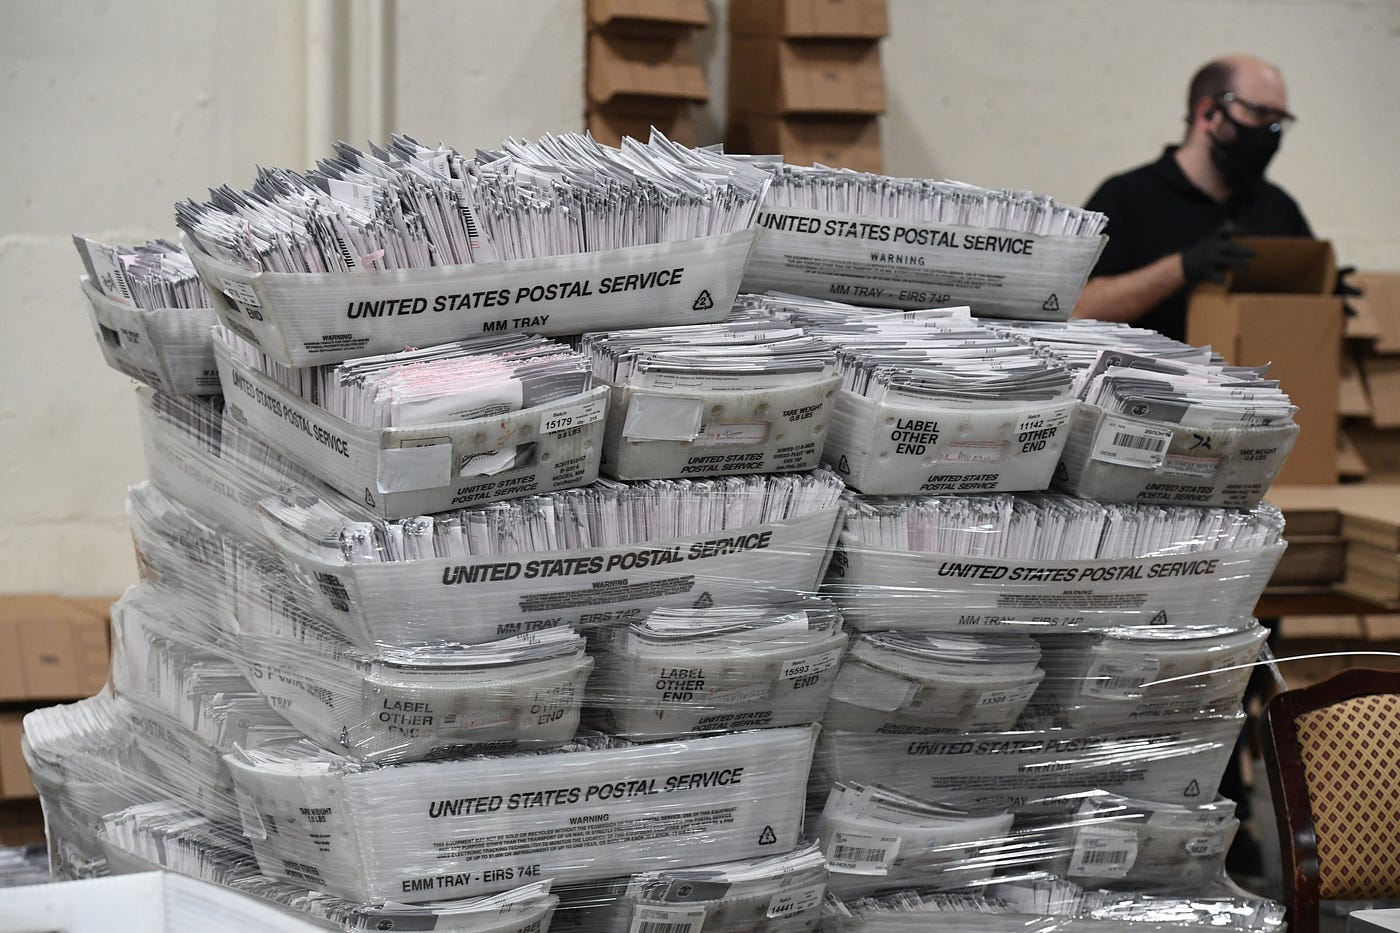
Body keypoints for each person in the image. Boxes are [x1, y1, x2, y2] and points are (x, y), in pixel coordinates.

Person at [1072, 53, 1312, 342]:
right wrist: (1183, 267)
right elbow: (1078, 307)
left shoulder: (1278, 208)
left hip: (1248, 384)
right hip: (1144, 384)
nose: (1270, 134)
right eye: (1258, 114)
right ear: (1208, 114)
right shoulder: (1126, 197)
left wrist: (1327, 292)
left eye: (1279, 122)